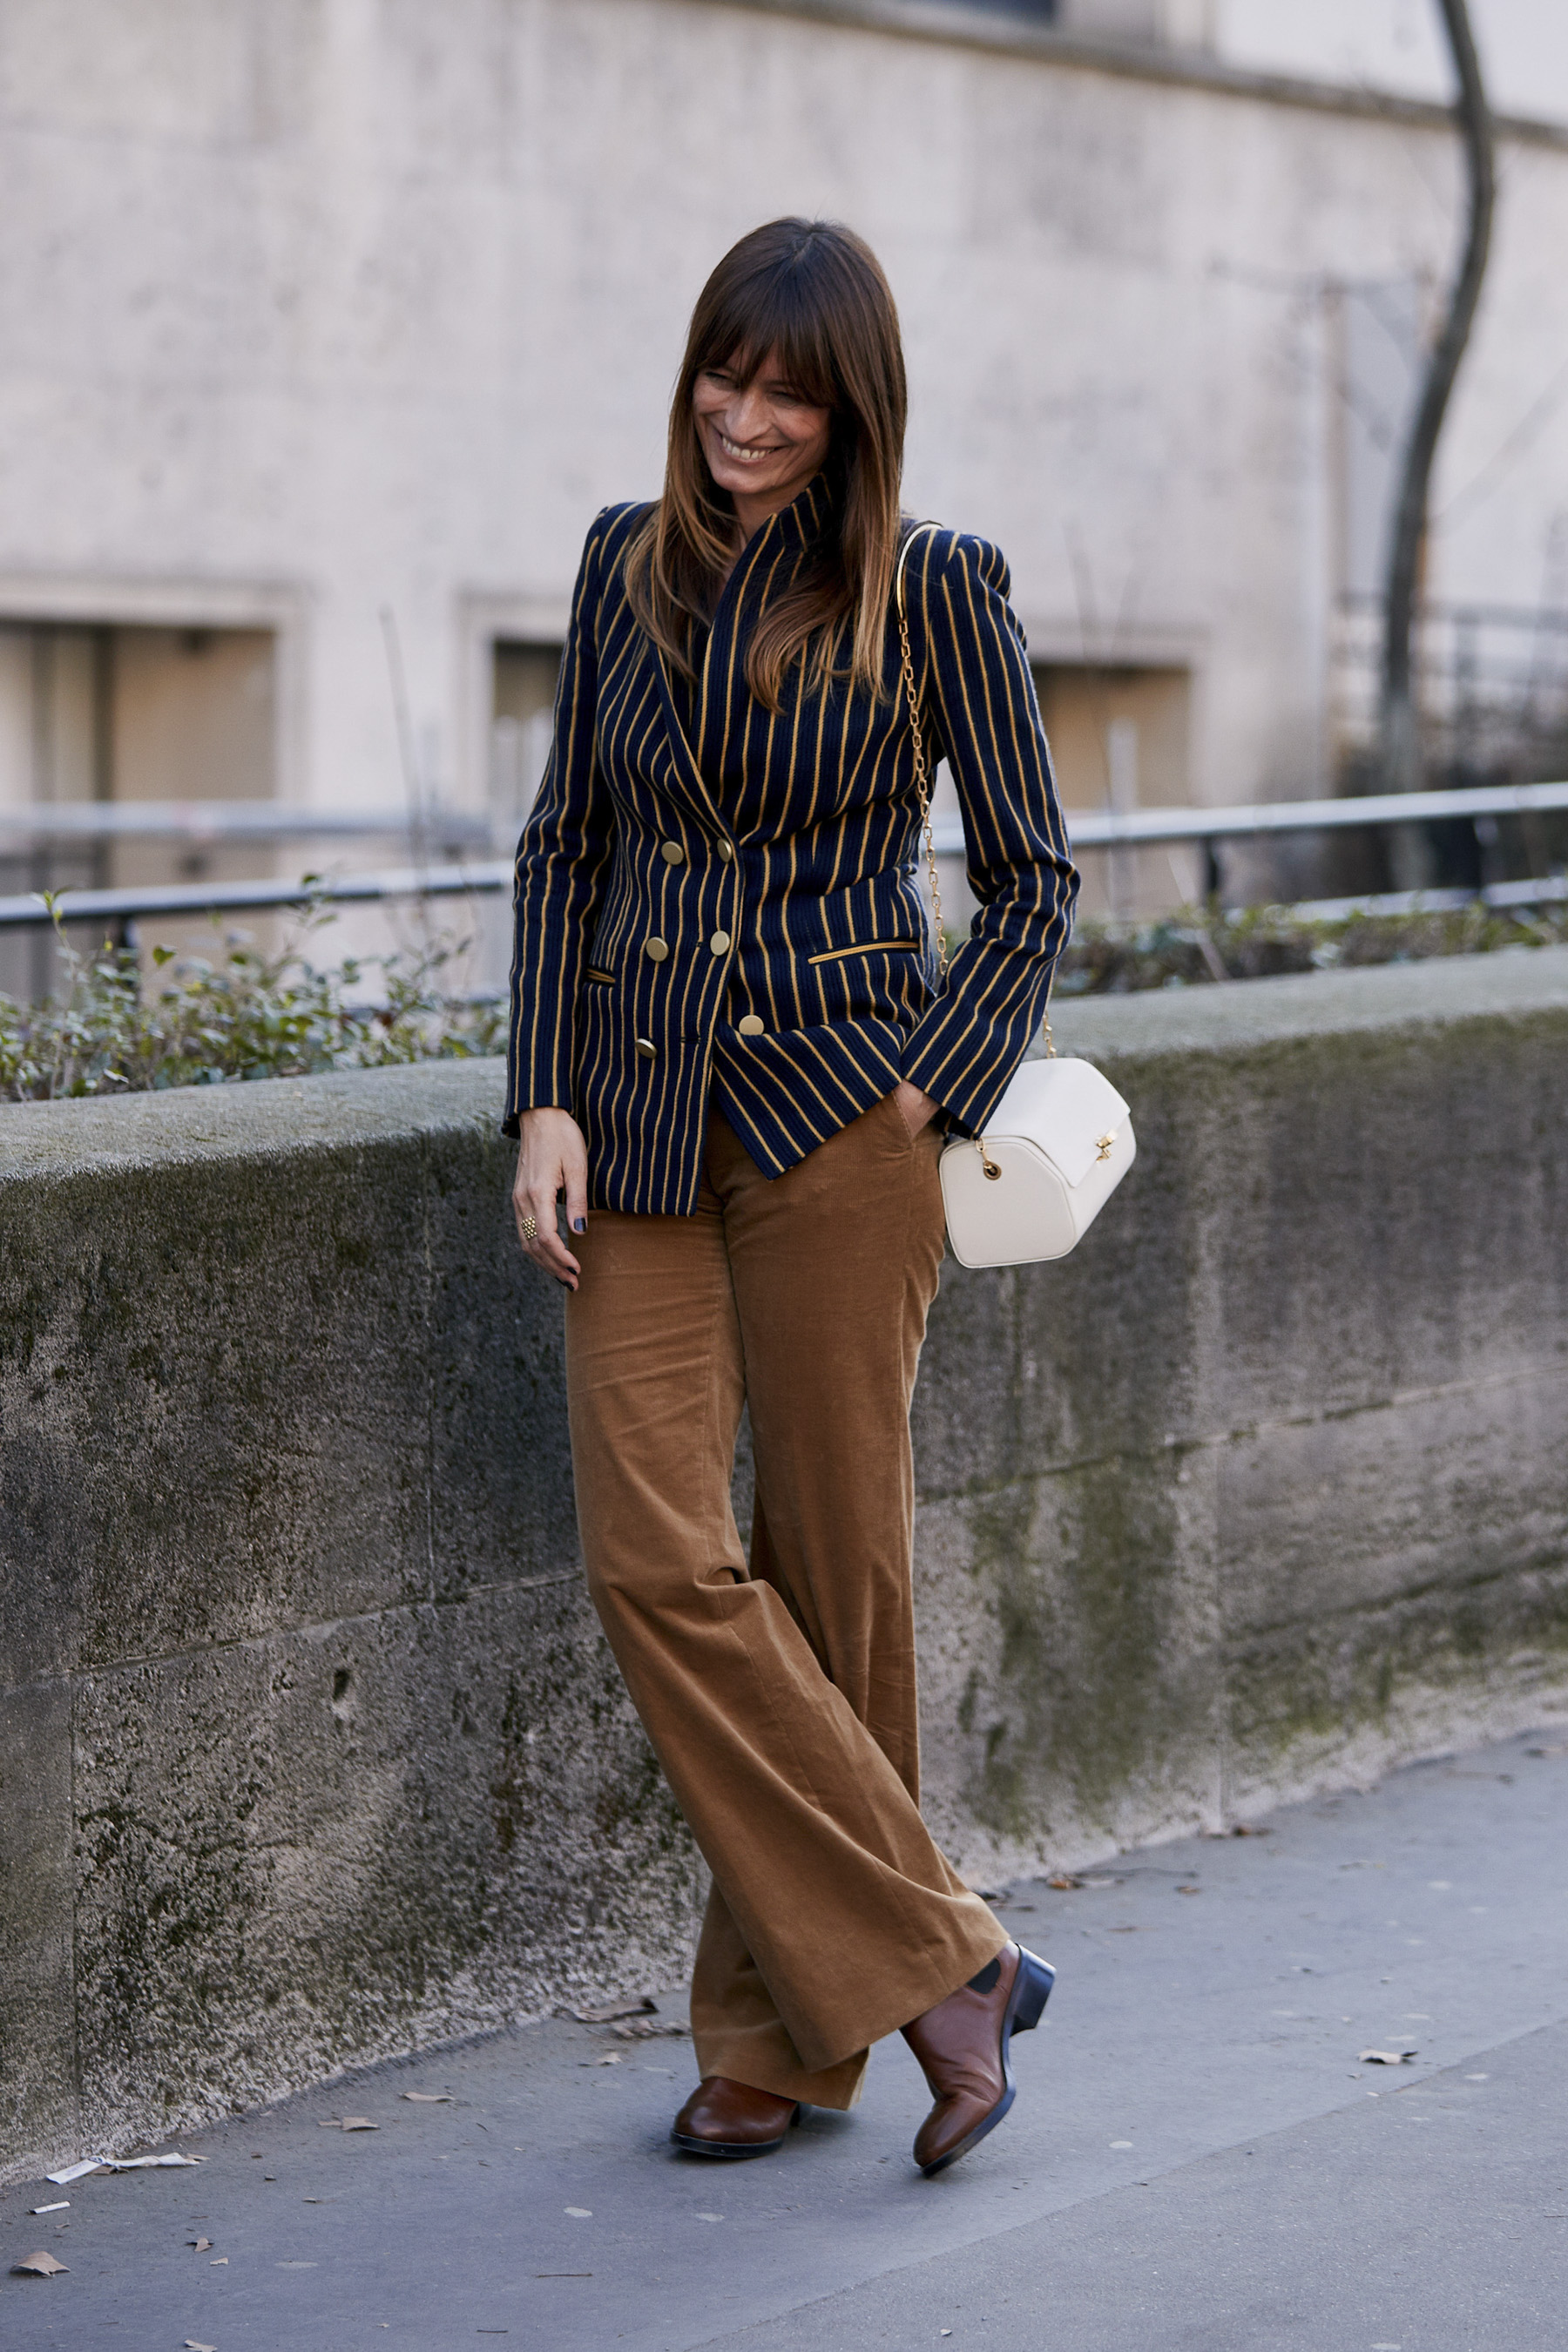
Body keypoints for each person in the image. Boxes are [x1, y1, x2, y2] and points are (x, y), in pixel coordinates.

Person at [506, 217, 1078, 2177]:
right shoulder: (619, 565)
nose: (743, 419)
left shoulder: (935, 592)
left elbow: (1033, 880)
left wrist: (939, 1081)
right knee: (656, 1555)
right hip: (642, 1128)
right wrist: (543, 1101)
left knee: (839, 1579)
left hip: (852, 1126)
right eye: (722, 378)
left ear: (850, 412)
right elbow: (565, 849)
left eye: (787, 392)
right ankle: (949, 1963)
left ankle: (782, 2043)